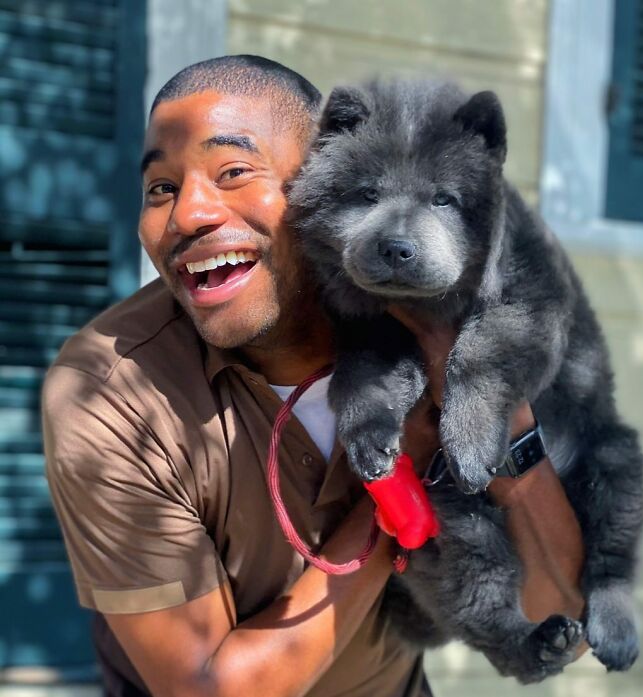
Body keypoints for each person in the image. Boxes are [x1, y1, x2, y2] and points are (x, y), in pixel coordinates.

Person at [42, 55, 585, 697]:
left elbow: (561, 611)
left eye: (234, 171)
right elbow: (209, 689)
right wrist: (397, 480)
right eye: (161, 188)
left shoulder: (442, 319)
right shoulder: (112, 393)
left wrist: (503, 424)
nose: (187, 213)